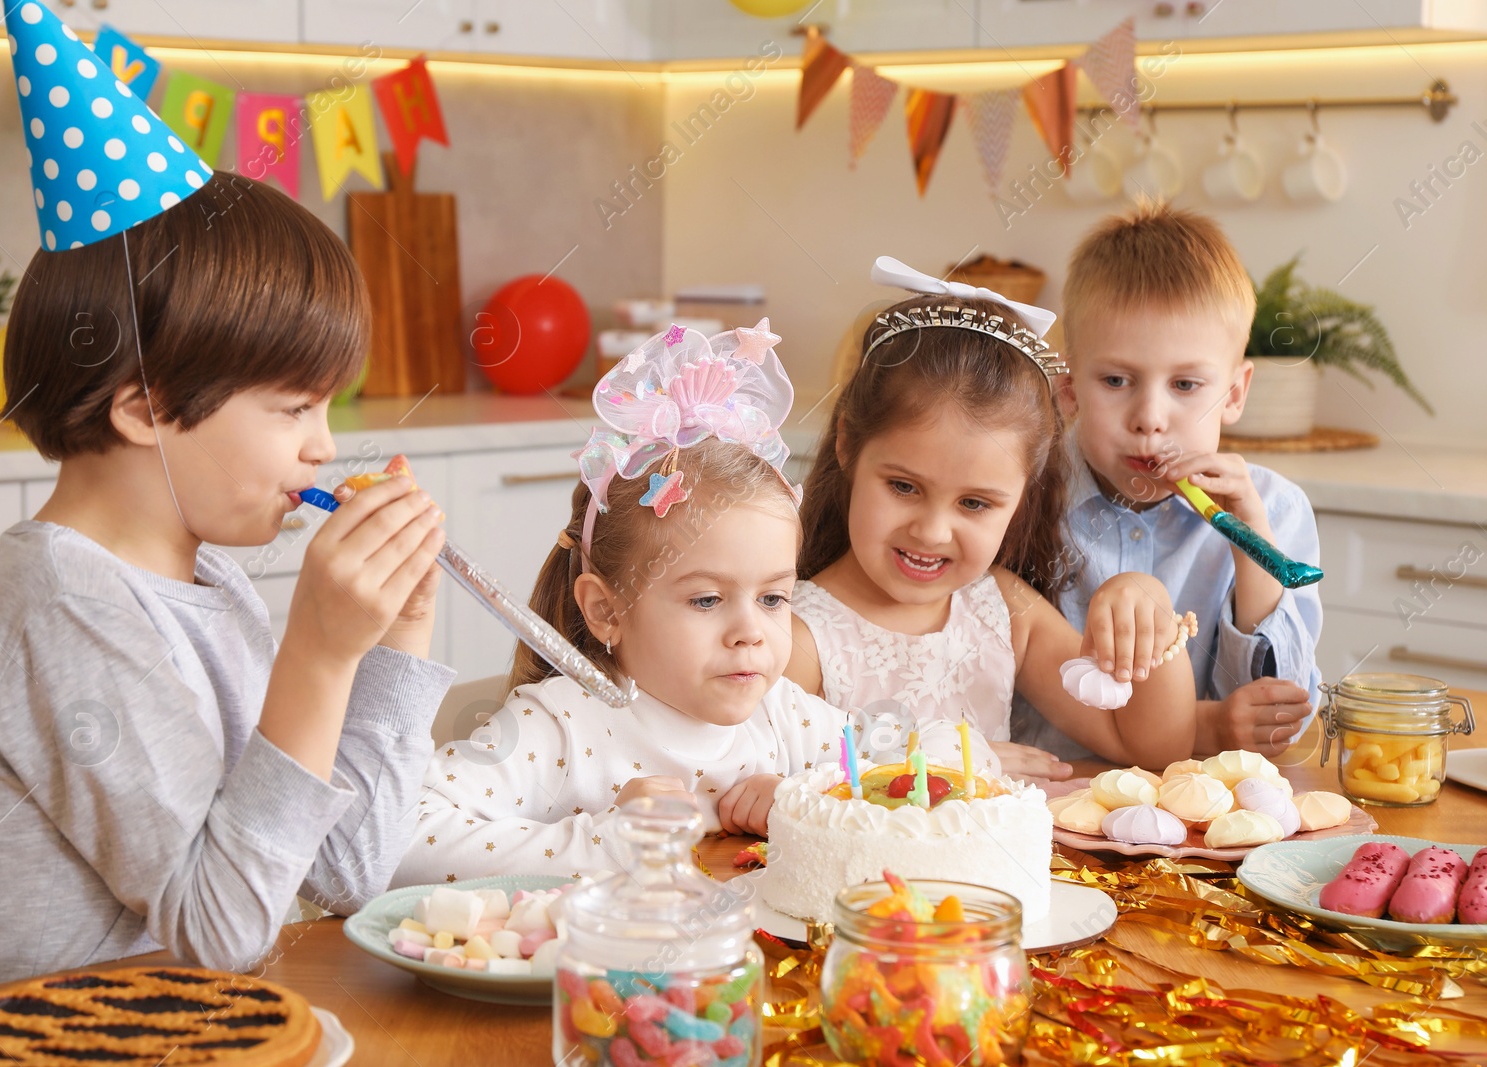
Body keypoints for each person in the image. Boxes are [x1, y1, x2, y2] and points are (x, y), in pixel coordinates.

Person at [0, 4, 452, 998]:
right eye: (295, 406)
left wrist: (397, 639)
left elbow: (343, 871)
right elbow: (221, 926)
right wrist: (318, 650)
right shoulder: (62, 608)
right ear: (147, 405)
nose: (323, 444)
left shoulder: (212, 582)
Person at [393, 322, 993, 886]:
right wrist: (609, 841)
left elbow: (949, 753)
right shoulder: (562, 726)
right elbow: (397, 837)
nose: (750, 633)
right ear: (606, 611)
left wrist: (814, 792)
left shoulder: (782, 716)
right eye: (707, 599)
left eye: (773, 598)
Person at [786, 257, 1198, 780]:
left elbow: (1152, 748)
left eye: (974, 504)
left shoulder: (1002, 608)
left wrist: (1148, 605)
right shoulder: (797, 635)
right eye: (903, 487)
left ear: (1024, 494)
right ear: (848, 444)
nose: (932, 531)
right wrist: (947, 762)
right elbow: (765, 791)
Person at [1009, 201, 1321, 763]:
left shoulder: (1276, 508)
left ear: (1233, 393)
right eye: (1116, 379)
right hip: (1052, 806)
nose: (1150, 416)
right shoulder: (1022, 493)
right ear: (1070, 386)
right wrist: (1207, 724)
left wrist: (1251, 541)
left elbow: (1282, 715)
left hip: (1211, 815)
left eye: (1184, 385)